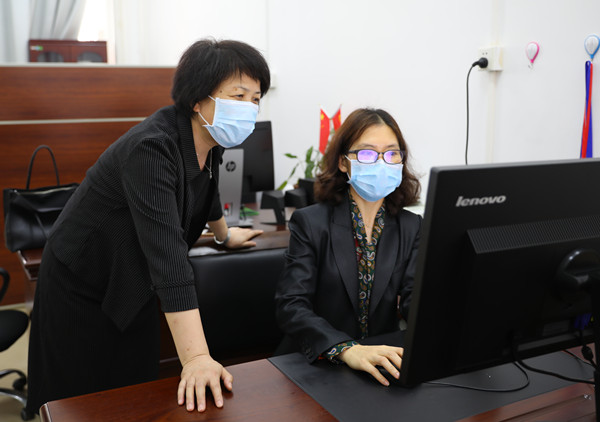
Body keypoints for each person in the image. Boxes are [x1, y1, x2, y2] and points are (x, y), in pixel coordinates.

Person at [26, 38, 270, 414]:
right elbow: (168, 256)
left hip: (132, 274)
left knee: (135, 384)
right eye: (238, 96)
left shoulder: (210, 140)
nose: (249, 109)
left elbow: (206, 188)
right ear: (198, 98)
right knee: (79, 400)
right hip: (83, 279)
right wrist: (197, 358)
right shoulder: (151, 148)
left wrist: (224, 235)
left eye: (255, 99)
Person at [275, 108, 421, 386]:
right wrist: (346, 349)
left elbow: (414, 298)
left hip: (381, 360)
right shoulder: (311, 222)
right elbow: (291, 305)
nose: (381, 162)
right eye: (367, 153)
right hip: (318, 362)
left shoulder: (411, 225)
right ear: (344, 162)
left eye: (392, 153)